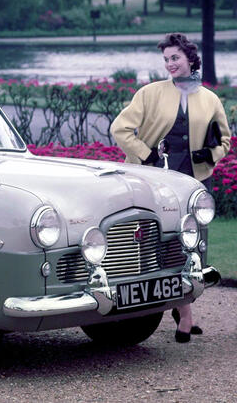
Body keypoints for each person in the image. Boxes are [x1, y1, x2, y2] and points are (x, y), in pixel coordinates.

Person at [111, 32, 231, 343]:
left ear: (190, 59)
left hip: (194, 182)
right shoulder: (150, 93)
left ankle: (184, 309)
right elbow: (119, 128)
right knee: (160, 245)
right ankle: (182, 315)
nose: (170, 64)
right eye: (166, 59)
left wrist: (211, 153)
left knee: (193, 245)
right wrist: (145, 153)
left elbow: (225, 139)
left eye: (175, 58)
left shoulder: (210, 99)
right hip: (155, 180)